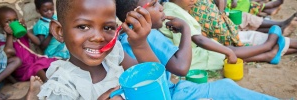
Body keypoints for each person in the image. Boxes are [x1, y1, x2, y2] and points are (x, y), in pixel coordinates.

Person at [116, 0, 278, 99]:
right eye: (154, 4)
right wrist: (185, 29)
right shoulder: (148, 35)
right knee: (227, 88)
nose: (160, 7)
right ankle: (270, 47)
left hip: (171, 90)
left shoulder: (125, 39)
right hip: (173, 93)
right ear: (135, 15)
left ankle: (271, 47)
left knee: (227, 87)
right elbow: (181, 68)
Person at [30, 0, 159, 99]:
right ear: (59, 31)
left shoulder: (113, 55)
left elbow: (150, 76)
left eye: (108, 27)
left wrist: (140, 44)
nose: (98, 37)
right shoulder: (62, 88)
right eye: (83, 26)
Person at [185, 0, 297, 54]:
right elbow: (202, 38)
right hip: (224, 37)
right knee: (256, 38)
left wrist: (221, 13)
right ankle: (276, 31)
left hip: (225, 29)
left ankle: (279, 26)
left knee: (246, 23)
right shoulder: (183, 11)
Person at [0, 6, 57, 82]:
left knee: (53, 62)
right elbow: (9, 52)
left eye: (15, 20)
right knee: (37, 68)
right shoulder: (1, 39)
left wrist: (25, 30)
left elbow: (38, 42)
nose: (12, 23)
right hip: (22, 69)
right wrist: (9, 35)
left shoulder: (21, 35)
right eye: (8, 22)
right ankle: (49, 83)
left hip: (33, 61)